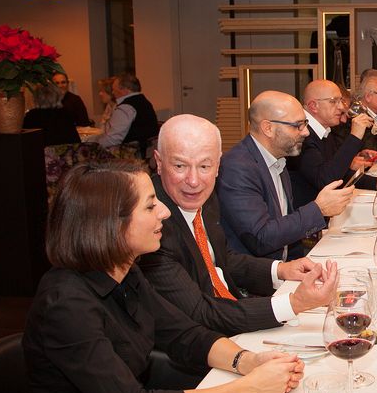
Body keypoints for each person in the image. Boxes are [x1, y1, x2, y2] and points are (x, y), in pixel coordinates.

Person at [13, 161, 305, 393]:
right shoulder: (66, 306)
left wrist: (247, 361)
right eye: (150, 206)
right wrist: (250, 387)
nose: (164, 212)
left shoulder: (125, 271)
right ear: (111, 223)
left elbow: (183, 334)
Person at [139, 114, 339, 336]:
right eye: (179, 166)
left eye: (204, 166)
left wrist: (281, 270)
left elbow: (221, 258)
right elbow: (201, 313)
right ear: (159, 163)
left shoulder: (205, 196)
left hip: (231, 315)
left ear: (218, 165)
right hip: (201, 340)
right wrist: (294, 303)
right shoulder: (150, 224)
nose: (193, 181)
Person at [217, 91, 354, 260]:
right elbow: (261, 238)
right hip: (258, 273)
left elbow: (286, 230)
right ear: (268, 128)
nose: (306, 132)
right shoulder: (237, 168)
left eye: (305, 124)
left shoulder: (278, 158)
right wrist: (319, 209)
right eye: (297, 126)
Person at [287, 79, 377, 209]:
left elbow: (341, 173)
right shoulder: (301, 135)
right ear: (313, 106)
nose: (341, 107)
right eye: (333, 101)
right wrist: (354, 137)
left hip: (322, 213)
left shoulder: (324, 131)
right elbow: (326, 180)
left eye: (340, 101)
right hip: (307, 217)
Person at [88, 72, 159, 153]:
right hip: (146, 151)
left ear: (124, 90)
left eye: (114, 89)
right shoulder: (143, 101)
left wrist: (92, 144)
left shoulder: (126, 107)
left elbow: (113, 139)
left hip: (132, 155)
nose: (113, 93)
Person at [22, 82, 81, 146]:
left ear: (37, 97)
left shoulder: (31, 116)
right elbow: (75, 141)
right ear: (57, 96)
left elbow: (25, 142)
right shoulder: (65, 113)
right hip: (65, 151)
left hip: (40, 152)